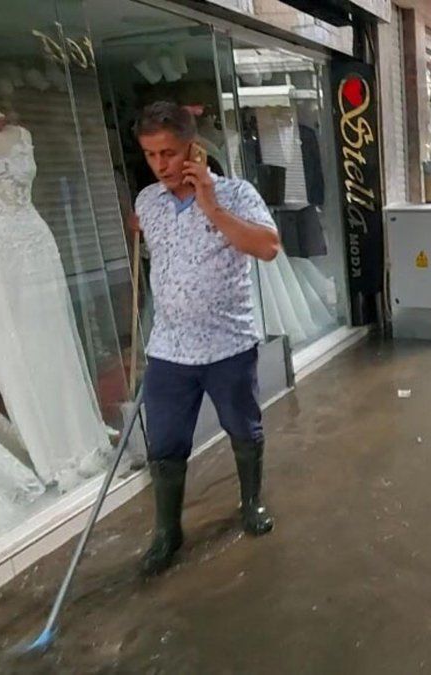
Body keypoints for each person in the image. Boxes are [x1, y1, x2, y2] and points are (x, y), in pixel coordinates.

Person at [132, 101, 282, 576]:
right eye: (151, 155)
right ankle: (167, 531)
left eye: (170, 153)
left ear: (194, 149)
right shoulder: (147, 202)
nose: (161, 165)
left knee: (243, 428)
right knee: (166, 444)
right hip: (169, 349)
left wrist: (210, 205)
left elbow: (268, 248)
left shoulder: (237, 194)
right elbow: (147, 242)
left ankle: (251, 501)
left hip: (228, 345)